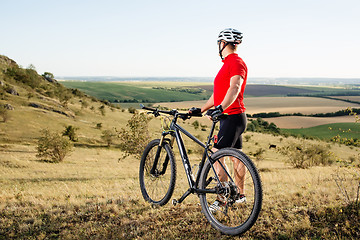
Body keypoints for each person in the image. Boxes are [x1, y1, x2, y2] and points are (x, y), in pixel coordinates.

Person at [189, 28, 248, 212]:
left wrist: (221, 108)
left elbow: (235, 87)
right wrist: (203, 109)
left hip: (232, 116)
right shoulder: (227, 64)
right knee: (235, 158)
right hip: (229, 117)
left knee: (217, 157)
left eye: (219, 43)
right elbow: (218, 95)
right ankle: (240, 196)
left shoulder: (236, 62)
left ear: (223, 43)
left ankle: (222, 199)